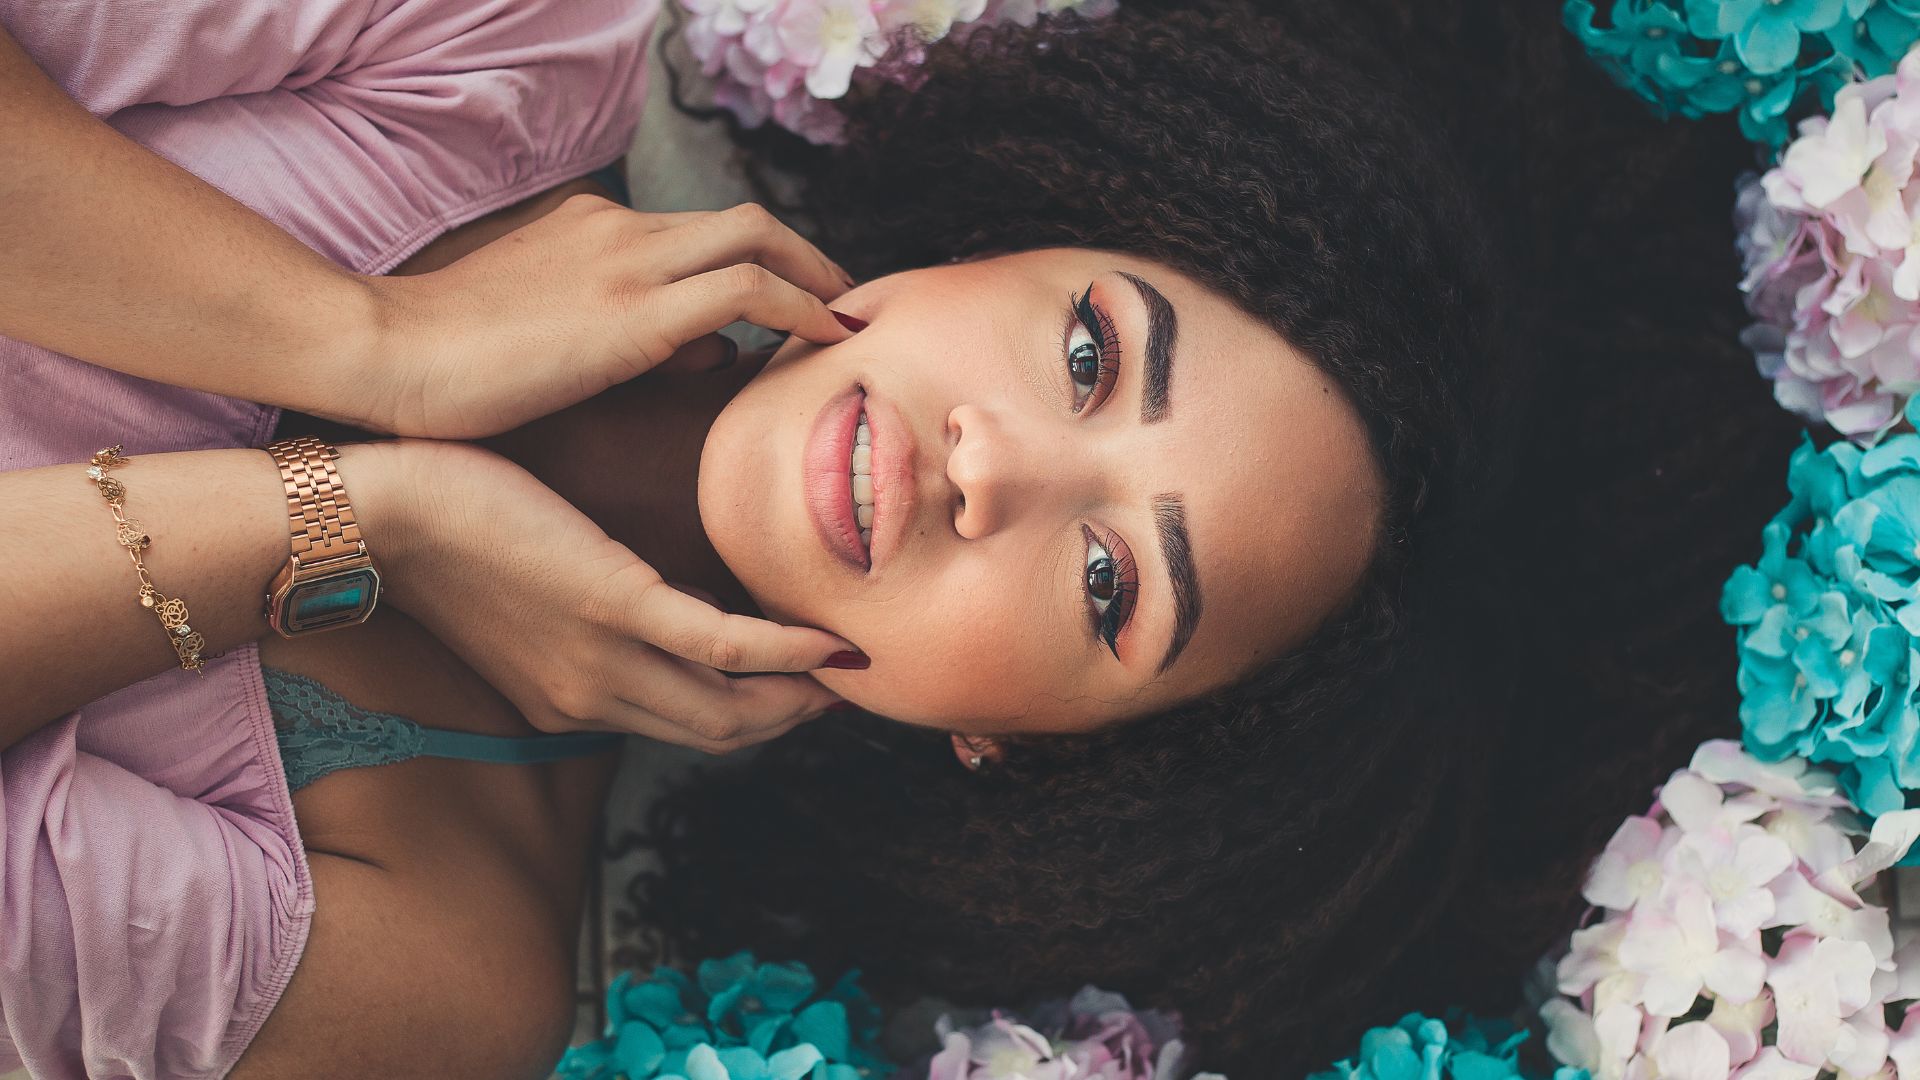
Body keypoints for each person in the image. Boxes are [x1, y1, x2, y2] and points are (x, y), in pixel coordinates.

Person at [0, 3, 1797, 1080]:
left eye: (1112, 585)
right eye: (1090, 349)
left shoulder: (443, 972)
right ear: (1014, 233)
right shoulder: (500, 47)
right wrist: (355, 348)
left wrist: (357, 515)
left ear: (1015, 752)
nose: (990, 468)